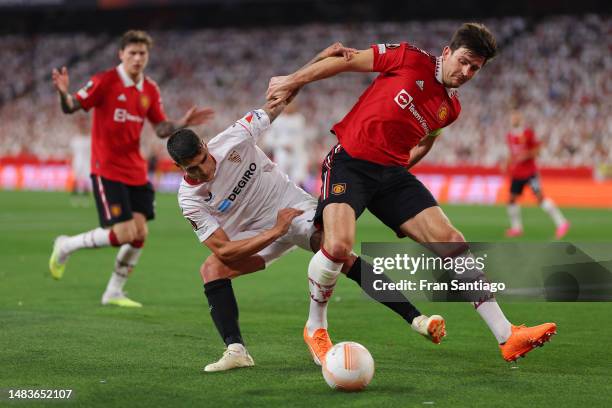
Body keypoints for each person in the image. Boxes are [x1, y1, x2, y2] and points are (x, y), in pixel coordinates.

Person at [267, 23, 557, 362]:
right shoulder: (408, 57)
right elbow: (347, 61)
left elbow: (426, 140)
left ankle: (507, 335)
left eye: (475, 69)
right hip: (351, 163)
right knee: (338, 246)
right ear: (447, 52)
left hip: (391, 174)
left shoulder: (451, 109)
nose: (466, 72)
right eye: (463, 61)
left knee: (452, 241)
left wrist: (405, 168)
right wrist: (293, 79)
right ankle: (315, 327)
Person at [167, 43, 445, 373]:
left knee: (338, 252)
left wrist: (320, 60)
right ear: (178, 167)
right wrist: (275, 231)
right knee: (211, 269)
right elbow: (225, 250)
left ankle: (415, 319)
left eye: (202, 160)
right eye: (192, 169)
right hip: (259, 234)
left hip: (292, 207)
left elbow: (282, 97)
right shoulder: (189, 198)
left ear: (204, 145)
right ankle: (237, 350)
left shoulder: (233, 137)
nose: (203, 171)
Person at [48, 30, 214, 307]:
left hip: (135, 169)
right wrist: (63, 94)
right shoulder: (105, 81)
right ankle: (65, 245)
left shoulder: (149, 89)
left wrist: (180, 122)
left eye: (142, 54)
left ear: (147, 57)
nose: (137, 58)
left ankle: (113, 291)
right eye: (132, 53)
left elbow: (161, 128)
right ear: (121, 55)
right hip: (107, 168)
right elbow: (71, 106)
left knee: (139, 235)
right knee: (124, 233)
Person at [503, 109, 570, 239]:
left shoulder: (528, 133)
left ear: (520, 119)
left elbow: (537, 149)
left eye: (516, 117)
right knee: (511, 199)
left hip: (530, 173)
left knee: (540, 198)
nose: (514, 119)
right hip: (517, 174)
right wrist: (507, 163)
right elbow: (512, 153)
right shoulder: (509, 136)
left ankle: (562, 223)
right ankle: (516, 228)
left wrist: (526, 155)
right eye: (513, 117)